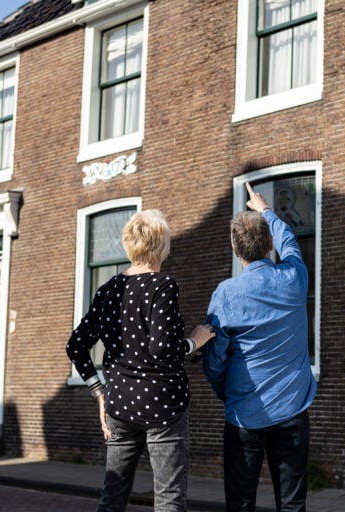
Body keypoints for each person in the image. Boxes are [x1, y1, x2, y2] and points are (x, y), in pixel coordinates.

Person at [66, 209, 214, 512]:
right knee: (169, 500)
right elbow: (163, 348)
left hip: (118, 404)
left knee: (112, 496)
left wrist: (99, 394)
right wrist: (195, 340)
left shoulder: (107, 290)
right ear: (162, 246)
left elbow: (76, 346)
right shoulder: (162, 286)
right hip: (163, 406)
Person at [203, 183, 317, 512]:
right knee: (293, 504)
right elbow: (291, 244)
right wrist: (266, 210)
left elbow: (214, 359)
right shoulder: (295, 278)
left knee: (240, 503)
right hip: (292, 409)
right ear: (269, 245)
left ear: (236, 250)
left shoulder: (226, 293)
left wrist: (228, 392)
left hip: (244, 414)